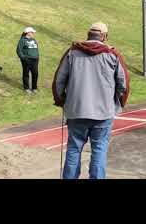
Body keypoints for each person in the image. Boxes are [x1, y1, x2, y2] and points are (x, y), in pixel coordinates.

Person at [52, 22, 130, 179]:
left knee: (74, 149)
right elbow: (124, 84)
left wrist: (62, 101)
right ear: (105, 37)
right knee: (99, 150)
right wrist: (118, 102)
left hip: (76, 111)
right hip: (103, 113)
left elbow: (58, 81)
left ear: (89, 34)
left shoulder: (72, 52)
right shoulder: (113, 54)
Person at [16, 27, 39, 94]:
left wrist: (37, 56)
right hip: (26, 59)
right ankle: (26, 88)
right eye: (32, 32)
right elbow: (18, 50)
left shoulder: (34, 40)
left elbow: (36, 49)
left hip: (35, 59)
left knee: (35, 73)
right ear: (28, 33)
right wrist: (23, 58)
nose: (33, 33)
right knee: (26, 73)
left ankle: (34, 88)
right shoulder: (22, 40)